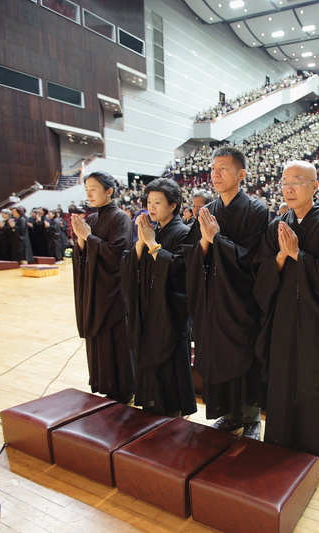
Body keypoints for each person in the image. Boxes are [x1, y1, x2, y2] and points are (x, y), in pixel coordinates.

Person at [253, 160, 319, 473]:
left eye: (297, 180)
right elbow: (262, 271)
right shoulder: (277, 225)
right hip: (283, 315)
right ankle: (280, 442)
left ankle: (318, 449)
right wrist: (282, 256)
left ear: (315, 185)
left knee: (313, 378)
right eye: (284, 182)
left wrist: (300, 255)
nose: (289, 187)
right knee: (282, 377)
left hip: (314, 319)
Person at [184, 146, 269, 438]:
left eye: (223, 168)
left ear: (241, 174)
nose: (215, 173)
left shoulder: (258, 209)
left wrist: (216, 239)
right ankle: (229, 414)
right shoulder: (208, 211)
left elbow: (252, 257)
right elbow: (195, 255)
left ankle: (251, 417)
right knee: (218, 356)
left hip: (242, 300)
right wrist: (207, 242)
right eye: (213, 168)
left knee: (244, 356)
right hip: (213, 301)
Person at [121, 178, 197, 417]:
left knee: (168, 360)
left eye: (157, 202)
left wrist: (152, 244)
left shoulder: (184, 232)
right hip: (147, 306)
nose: (151, 207)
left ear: (173, 205)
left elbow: (180, 270)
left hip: (169, 310)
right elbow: (129, 265)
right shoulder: (152, 230)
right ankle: (150, 405)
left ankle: (172, 410)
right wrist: (141, 243)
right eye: (149, 202)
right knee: (147, 354)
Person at [71, 171, 135, 403]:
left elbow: (119, 254)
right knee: (99, 342)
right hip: (95, 292)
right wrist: (80, 241)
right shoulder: (91, 220)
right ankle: (104, 384)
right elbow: (83, 256)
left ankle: (123, 389)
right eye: (87, 188)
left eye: (94, 188)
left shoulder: (121, 218)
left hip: (114, 292)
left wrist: (89, 238)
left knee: (116, 342)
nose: (89, 193)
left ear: (109, 191)